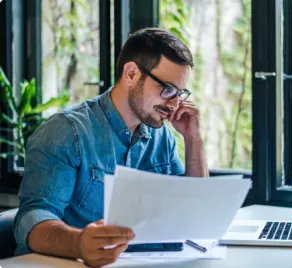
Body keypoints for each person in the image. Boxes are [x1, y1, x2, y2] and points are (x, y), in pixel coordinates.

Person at [13, 28, 209, 267]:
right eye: (167, 90)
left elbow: (195, 214)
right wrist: (79, 243)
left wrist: (193, 138)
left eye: (180, 93)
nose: (175, 104)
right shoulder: (66, 131)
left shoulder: (162, 137)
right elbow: (33, 217)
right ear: (131, 74)